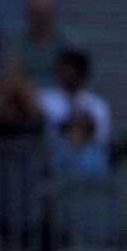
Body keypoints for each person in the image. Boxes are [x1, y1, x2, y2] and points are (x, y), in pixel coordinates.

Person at [38, 48, 111, 179]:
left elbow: (99, 134)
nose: (66, 74)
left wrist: (80, 124)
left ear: (81, 73)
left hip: (90, 164)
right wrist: (77, 121)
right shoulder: (46, 98)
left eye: (71, 70)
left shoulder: (96, 103)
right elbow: (57, 127)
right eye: (63, 69)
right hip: (55, 162)